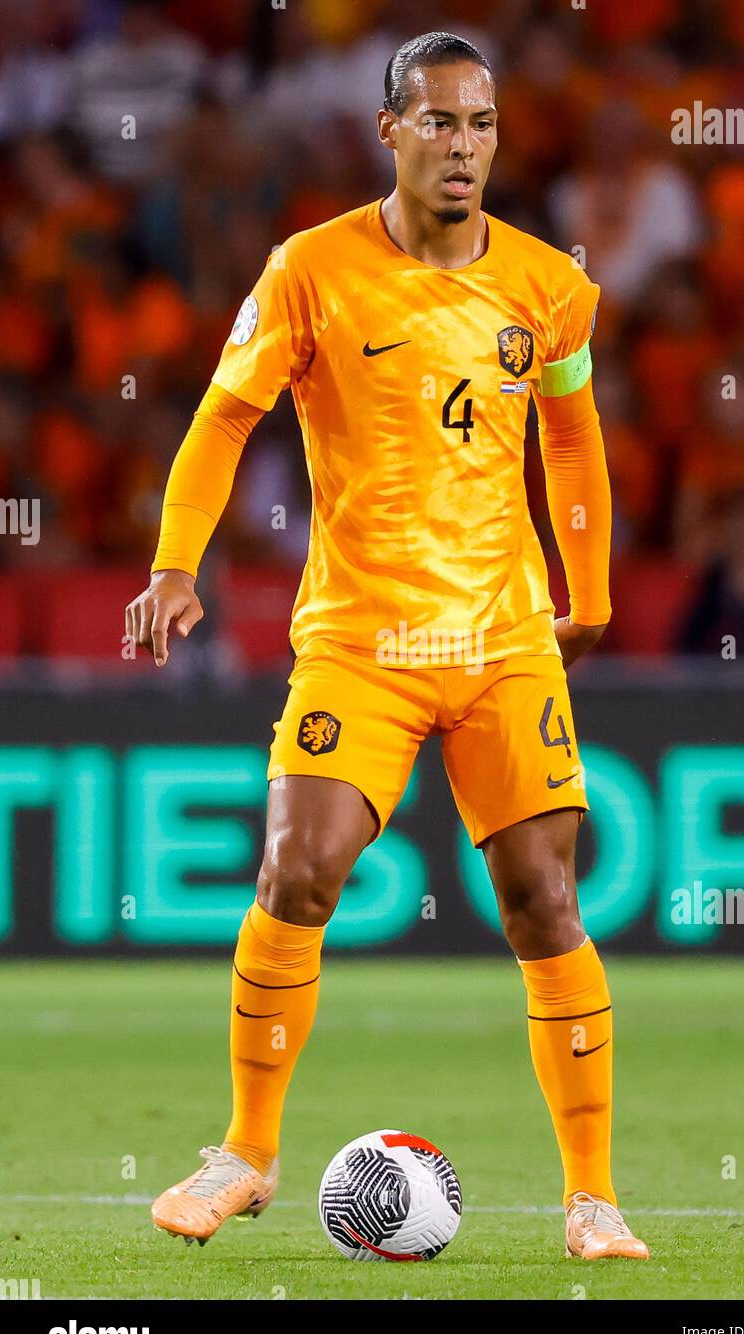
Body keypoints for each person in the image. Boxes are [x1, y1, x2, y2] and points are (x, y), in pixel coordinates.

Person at [125, 30, 648, 1263]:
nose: (462, 146)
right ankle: (244, 1155)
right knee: (295, 872)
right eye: (438, 123)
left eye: (481, 125)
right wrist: (174, 563)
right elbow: (224, 414)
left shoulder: (547, 286)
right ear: (389, 130)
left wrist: (591, 588)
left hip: (503, 637)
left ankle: (591, 1197)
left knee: (543, 900)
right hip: (359, 636)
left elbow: (570, 442)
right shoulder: (311, 269)